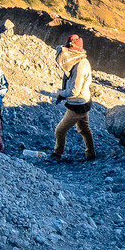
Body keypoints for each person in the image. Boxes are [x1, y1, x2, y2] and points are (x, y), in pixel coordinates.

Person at [51, 33, 96, 161]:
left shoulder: (79, 66)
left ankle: (57, 154)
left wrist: (61, 94)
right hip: (84, 101)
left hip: (77, 105)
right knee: (84, 129)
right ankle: (91, 154)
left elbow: (74, 91)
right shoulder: (82, 61)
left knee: (60, 130)